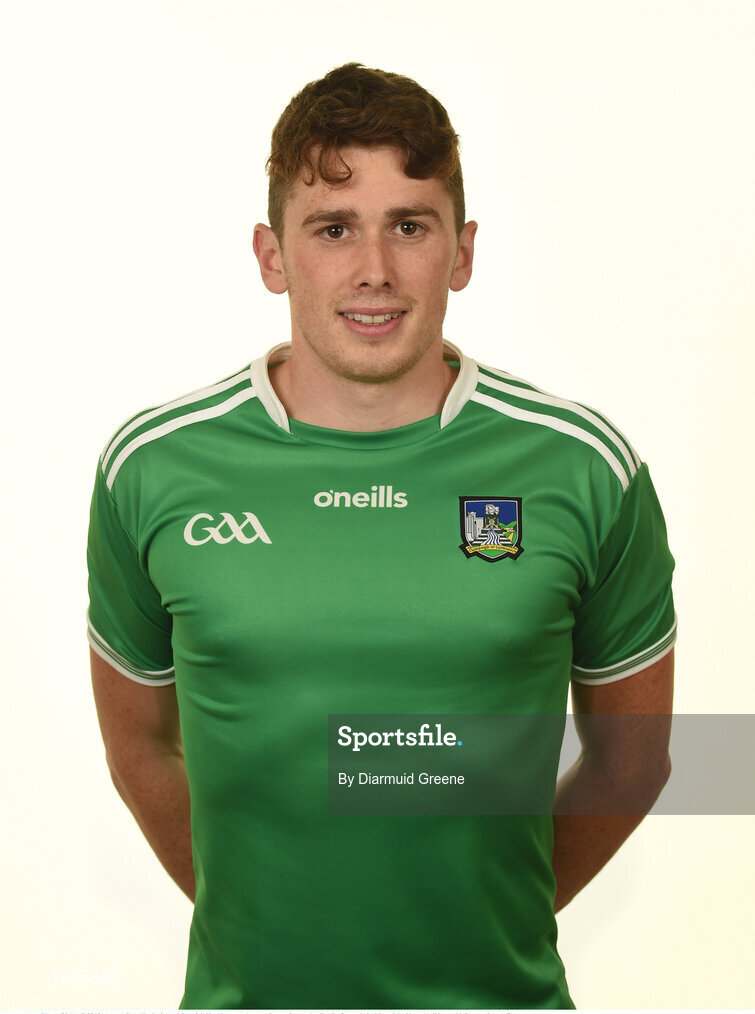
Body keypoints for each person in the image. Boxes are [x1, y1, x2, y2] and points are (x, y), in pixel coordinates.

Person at [87, 62, 676, 1010]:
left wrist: (491, 923)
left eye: (409, 224)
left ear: (462, 251)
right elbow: (140, 750)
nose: (373, 270)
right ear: (272, 255)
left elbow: (633, 757)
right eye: (332, 229)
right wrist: (269, 925)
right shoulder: (153, 468)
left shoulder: (583, 468)